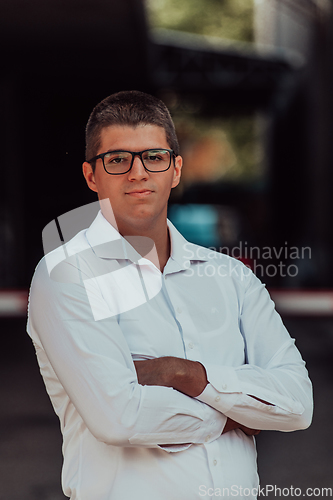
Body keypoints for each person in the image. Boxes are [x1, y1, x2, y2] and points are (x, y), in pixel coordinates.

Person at [27, 90, 313, 500]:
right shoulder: (68, 274)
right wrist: (236, 410)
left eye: (154, 157)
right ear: (92, 175)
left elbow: (298, 404)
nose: (138, 173)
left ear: (175, 169)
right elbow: (120, 419)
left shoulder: (232, 278)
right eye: (118, 159)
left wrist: (182, 374)